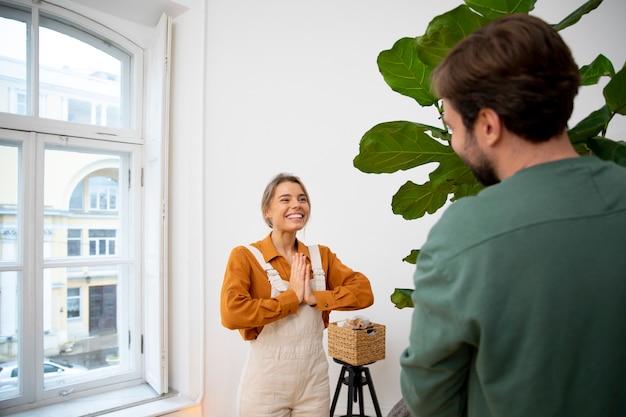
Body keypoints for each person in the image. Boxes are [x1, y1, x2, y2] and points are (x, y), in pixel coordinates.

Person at [400, 13, 626, 417]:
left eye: (452, 127)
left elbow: (430, 399)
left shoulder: (462, 236)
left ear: (487, 124)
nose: (453, 142)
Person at [220, 173, 374, 417]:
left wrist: (315, 297)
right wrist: (292, 297)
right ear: (266, 210)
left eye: (302, 199)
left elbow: (364, 291)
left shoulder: (321, 256)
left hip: (313, 383)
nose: (297, 205)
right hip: (265, 386)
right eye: (285, 199)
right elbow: (232, 314)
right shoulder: (246, 256)